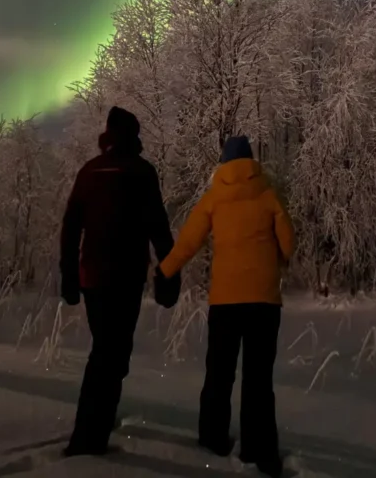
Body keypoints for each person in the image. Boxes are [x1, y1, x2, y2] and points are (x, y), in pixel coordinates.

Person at [157, 134, 295, 478]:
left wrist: (165, 270)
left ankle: (212, 437)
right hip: (263, 302)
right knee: (258, 379)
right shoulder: (268, 194)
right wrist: (276, 257)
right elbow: (289, 244)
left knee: (219, 372)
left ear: (224, 163)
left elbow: (188, 241)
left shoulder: (214, 198)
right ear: (251, 163)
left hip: (225, 302)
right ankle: (258, 449)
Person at [60, 106, 180, 457]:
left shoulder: (89, 172)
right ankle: (88, 437)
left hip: (92, 279)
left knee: (107, 350)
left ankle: (96, 421)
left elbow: (70, 227)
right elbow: (158, 225)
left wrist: (68, 274)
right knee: (111, 354)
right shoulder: (143, 172)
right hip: (126, 279)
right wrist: (168, 271)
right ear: (134, 135)